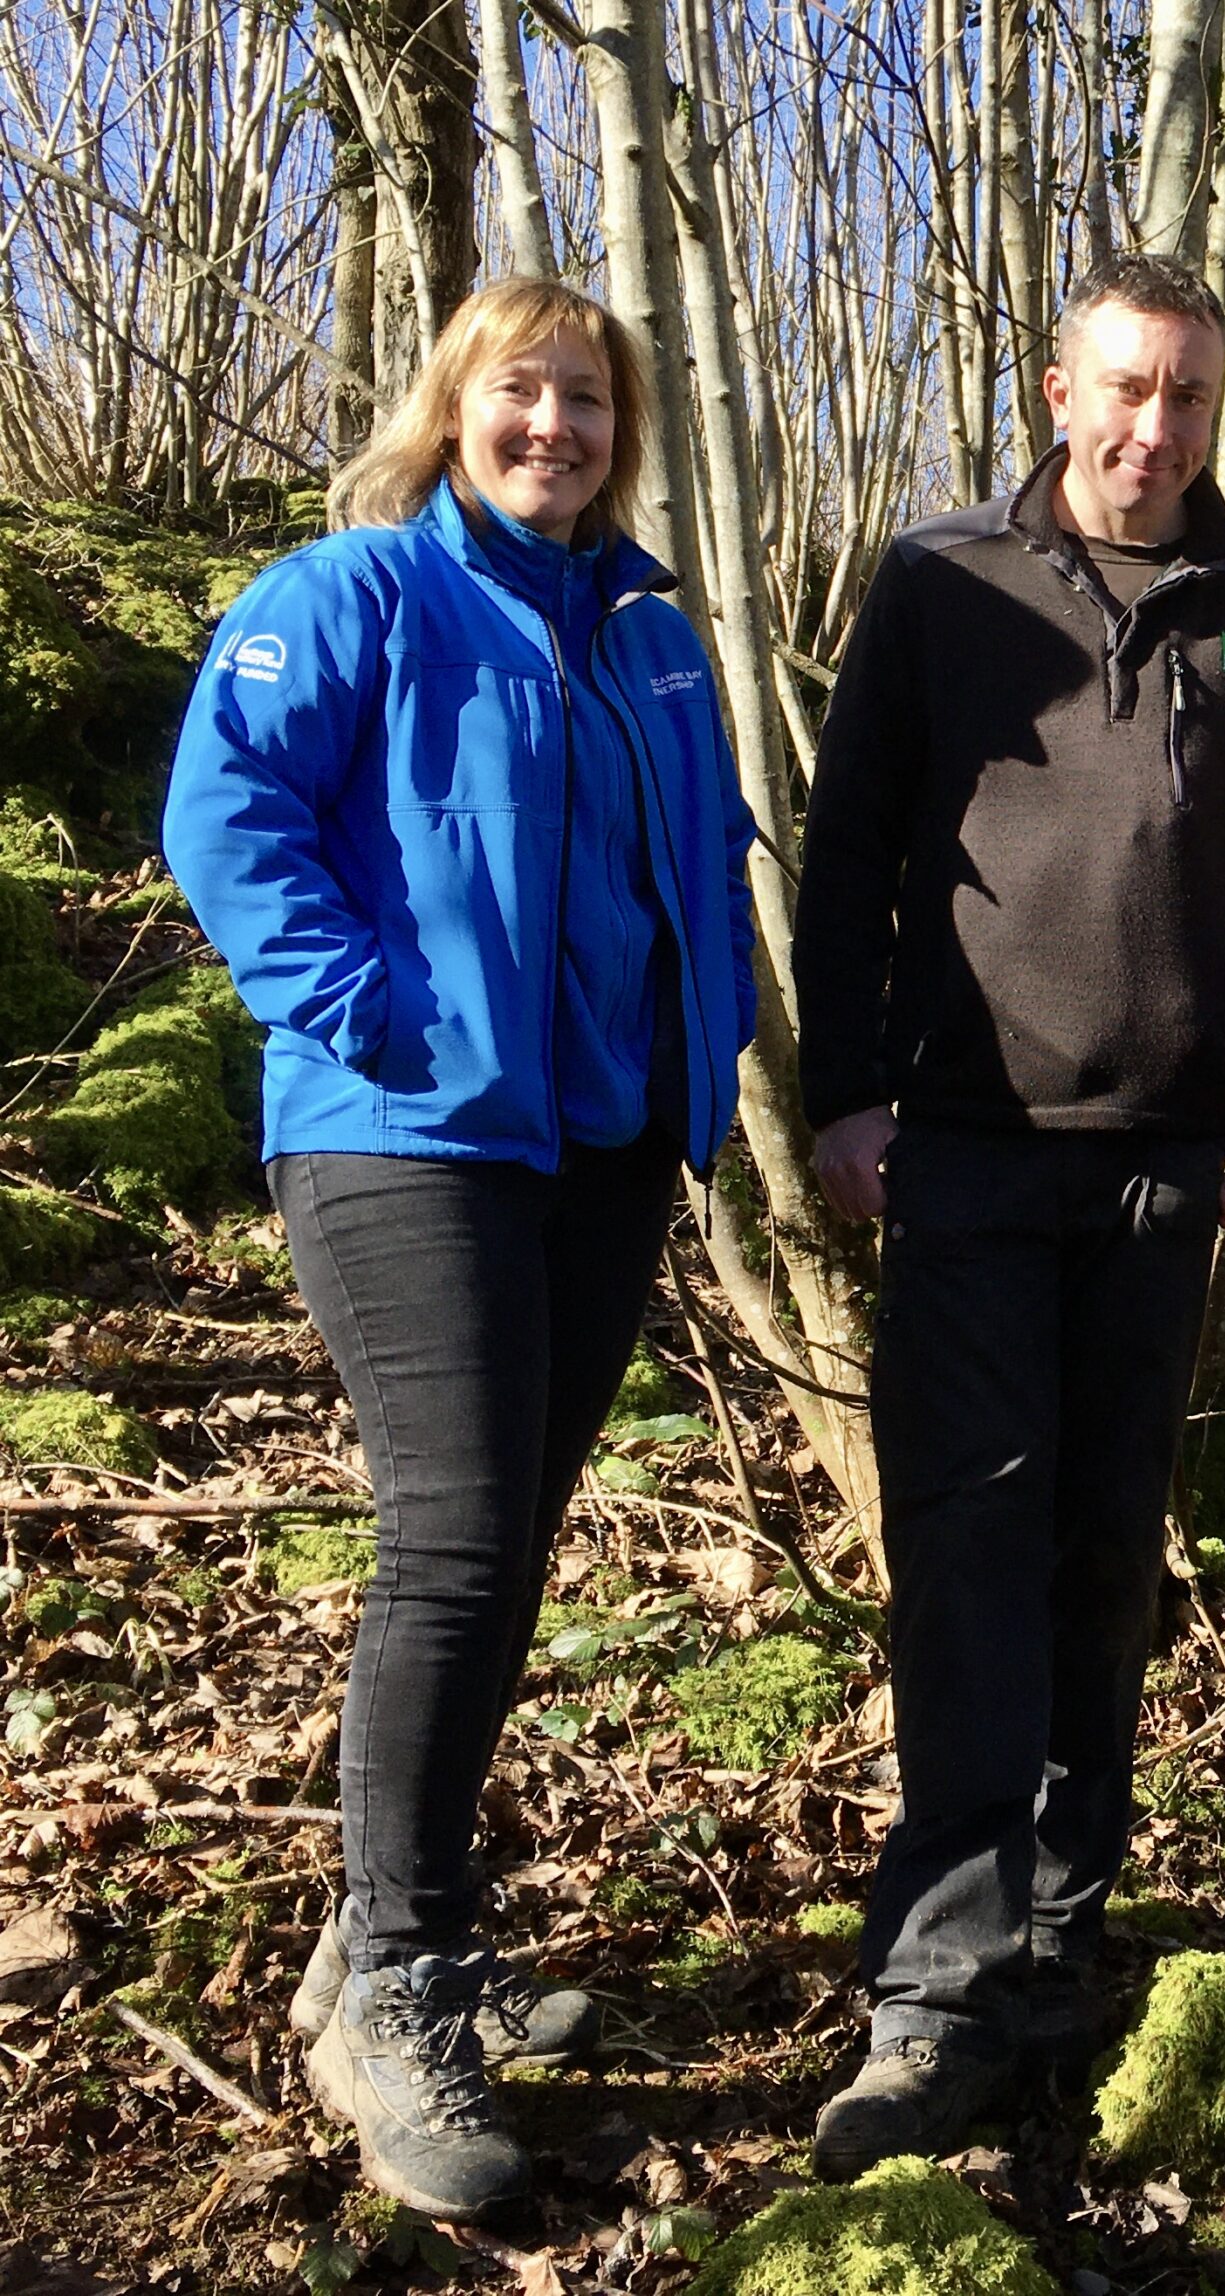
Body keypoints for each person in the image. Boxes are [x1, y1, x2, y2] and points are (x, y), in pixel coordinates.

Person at [162, 280, 759, 2223]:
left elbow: (703, 872)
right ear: (456, 407)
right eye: (523, 392)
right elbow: (227, 806)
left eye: (587, 401)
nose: (555, 428)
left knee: (503, 1542)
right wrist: (367, 1005)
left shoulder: (650, 640)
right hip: (400, 1129)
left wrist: (712, 1053)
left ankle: (389, 1937)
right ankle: (398, 1987)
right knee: (453, 1536)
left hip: (594, 1156)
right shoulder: (357, 592)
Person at [792, 251, 1225, 2175]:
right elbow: (850, 843)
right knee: (967, 1558)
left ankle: (1056, 1959)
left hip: (1165, 1168)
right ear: (1057, 386)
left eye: (1186, 396)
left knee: (1109, 1564)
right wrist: (845, 1093)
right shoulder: (942, 586)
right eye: (1123, 387)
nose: (1151, 428)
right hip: (960, 1141)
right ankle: (935, 1995)